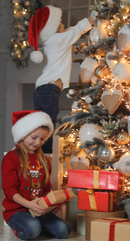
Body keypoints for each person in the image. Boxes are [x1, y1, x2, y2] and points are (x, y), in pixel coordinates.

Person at [28, 5, 96, 154]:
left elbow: (69, 31)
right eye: (61, 23)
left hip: (42, 90)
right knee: (48, 123)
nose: (64, 25)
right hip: (48, 90)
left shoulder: (52, 41)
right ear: (54, 28)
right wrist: (93, 18)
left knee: (42, 124)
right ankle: (46, 152)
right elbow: (77, 30)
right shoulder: (57, 40)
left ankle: (37, 151)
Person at [1, 110, 71, 240]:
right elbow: (10, 190)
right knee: (32, 229)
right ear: (23, 135)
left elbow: (46, 188)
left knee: (63, 231)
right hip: (17, 210)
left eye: (42, 139)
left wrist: (50, 205)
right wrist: (29, 205)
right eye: (34, 137)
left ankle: (37, 226)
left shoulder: (44, 160)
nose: (38, 143)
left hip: (38, 210)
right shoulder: (11, 158)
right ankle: (20, 229)